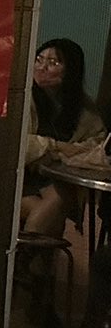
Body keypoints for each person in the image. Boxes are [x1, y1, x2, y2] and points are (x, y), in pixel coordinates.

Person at [21, 37, 105, 239]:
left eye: (53, 63)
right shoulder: (23, 97)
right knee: (57, 205)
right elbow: (18, 143)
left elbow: (98, 143)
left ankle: (28, 256)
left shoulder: (82, 107)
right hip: (18, 181)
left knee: (59, 196)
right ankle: (31, 255)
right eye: (39, 59)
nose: (42, 67)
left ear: (71, 71)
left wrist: (59, 153)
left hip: (53, 181)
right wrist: (55, 146)